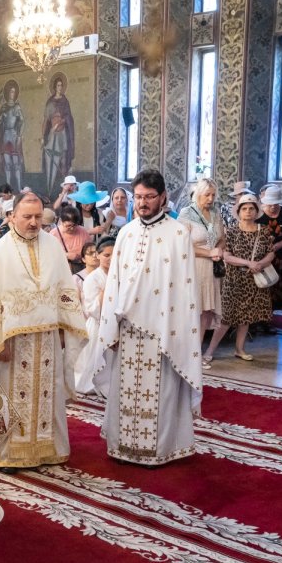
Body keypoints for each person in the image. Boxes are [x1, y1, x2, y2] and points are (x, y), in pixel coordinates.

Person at [84, 169, 202, 466]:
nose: (142, 203)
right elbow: (115, 284)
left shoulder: (178, 234)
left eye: (149, 197)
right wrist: (110, 325)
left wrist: (180, 331)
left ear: (163, 197)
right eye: (138, 197)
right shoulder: (125, 232)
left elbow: (186, 288)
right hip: (127, 327)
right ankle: (124, 447)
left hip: (163, 329)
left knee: (159, 393)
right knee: (126, 390)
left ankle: (158, 450)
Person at [0, 191, 87, 469]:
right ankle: (8, 453)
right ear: (11, 217)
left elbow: (64, 290)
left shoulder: (53, 246)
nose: (34, 223)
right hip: (13, 341)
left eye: (38, 217)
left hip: (46, 339)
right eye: (27, 217)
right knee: (11, 396)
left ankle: (47, 449)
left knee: (48, 393)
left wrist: (63, 327)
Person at [202, 194, 276, 365]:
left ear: (256, 211)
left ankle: (239, 349)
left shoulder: (263, 230)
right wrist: (249, 263)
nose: (248, 211)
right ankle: (210, 351)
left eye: (251, 208)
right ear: (239, 211)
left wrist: (260, 263)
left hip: (254, 278)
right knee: (227, 317)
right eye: (244, 209)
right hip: (234, 279)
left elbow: (270, 252)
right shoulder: (232, 231)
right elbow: (226, 256)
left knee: (246, 316)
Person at [177, 178, 225, 349]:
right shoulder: (186, 214)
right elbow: (182, 244)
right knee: (192, 308)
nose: (211, 199)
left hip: (212, 270)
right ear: (198, 194)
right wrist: (208, 253)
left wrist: (218, 249)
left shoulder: (215, 213)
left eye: (213, 195)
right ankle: (185, 348)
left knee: (206, 310)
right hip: (194, 267)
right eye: (207, 195)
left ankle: (197, 348)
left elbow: (222, 238)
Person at [76, 237, 113, 393]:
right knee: (94, 363)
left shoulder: (120, 274)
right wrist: (106, 292)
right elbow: (92, 309)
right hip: (98, 325)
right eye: (106, 255)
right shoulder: (92, 278)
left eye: (114, 254)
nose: (111, 259)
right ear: (98, 255)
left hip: (114, 324)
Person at [50, 205, 89, 272]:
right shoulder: (53, 234)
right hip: (59, 270)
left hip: (79, 269)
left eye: (75, 225)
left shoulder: (83, 232)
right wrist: (66, 255)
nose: (72, 228)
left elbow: (89, 250)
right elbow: (48, 254)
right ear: (61, 222)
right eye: (68, 226)